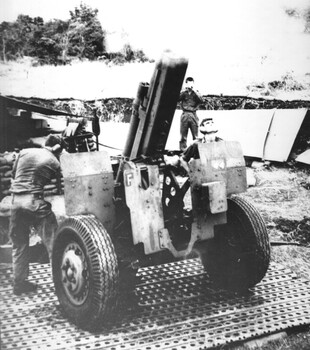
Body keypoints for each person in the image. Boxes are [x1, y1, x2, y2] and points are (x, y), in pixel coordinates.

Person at [9, 134, 63, 295]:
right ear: (57, 148)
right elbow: (61, 180)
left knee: (19, 244)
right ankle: (61, 286)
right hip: (34, 203)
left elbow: (14, 174)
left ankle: (19, 283)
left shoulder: (24, 152)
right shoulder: (54, 161)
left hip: (16, 202)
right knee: (54, 242)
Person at [179, 77, 204, 151]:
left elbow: (201, 100)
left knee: (195, 136)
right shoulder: (183, 92)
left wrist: (194, 91)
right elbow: (178, 98)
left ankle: (195, 151)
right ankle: (183, 151)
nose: (190, 85)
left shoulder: (196, 92)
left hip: (193, 114)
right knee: (183, 136)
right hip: (185, 114)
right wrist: (184, 90)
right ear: (186, 83)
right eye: (188, 83)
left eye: (191, 83)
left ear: (193, 83)